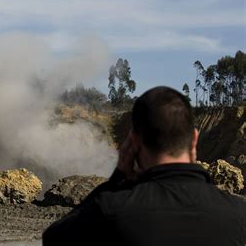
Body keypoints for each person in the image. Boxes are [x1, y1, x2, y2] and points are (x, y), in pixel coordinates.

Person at [43, 86, 246, 246]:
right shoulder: (239, 214)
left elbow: (53, 238)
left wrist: (116, 180)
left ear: (134, 142)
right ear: (195, 139)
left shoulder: (110, 211)